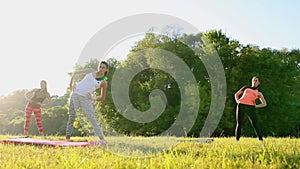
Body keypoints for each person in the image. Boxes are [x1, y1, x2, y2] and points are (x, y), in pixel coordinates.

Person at [66, 61, 109, 146]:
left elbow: (102, 97)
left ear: (106, 70)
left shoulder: (104, 82)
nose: (101, 69)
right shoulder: (90, 71)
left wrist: (93, 98)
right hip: (75, 94)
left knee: (92, 118)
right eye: (100, 67)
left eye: (103, 67)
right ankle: (67, 139)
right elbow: (76, 73)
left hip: (86, 98)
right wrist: (72, 85)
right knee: (72, 116)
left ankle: (102, 140)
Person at [234, 76, 267, 141]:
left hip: (251, 107)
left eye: (256, 81)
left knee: (255, 124)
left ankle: (261, 139)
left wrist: (256, 106)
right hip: (241, 105)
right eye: (253, 80)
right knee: (239, 123)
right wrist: (237, 101)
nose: (254, 82)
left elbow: (264, 104)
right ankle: (237, 140)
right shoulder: (246, 88)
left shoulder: (258, 93)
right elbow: (236, 94)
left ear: (259, 82)